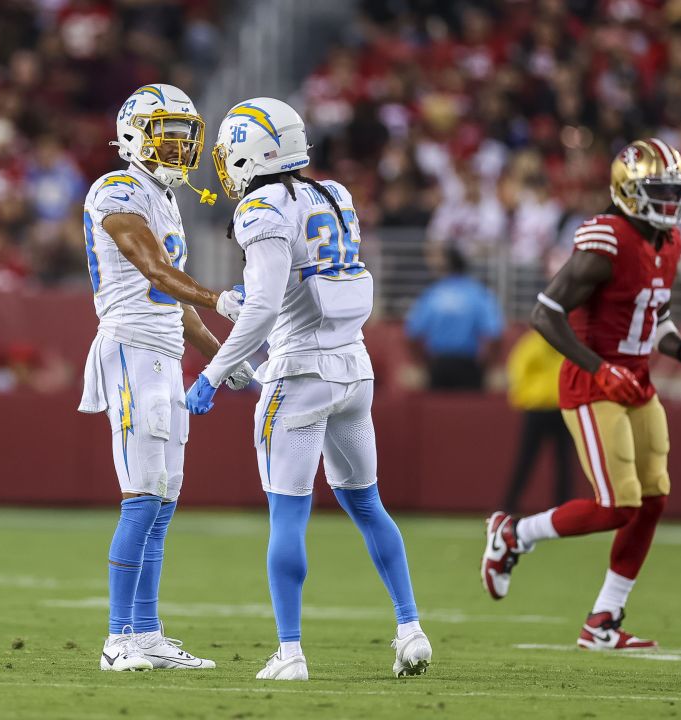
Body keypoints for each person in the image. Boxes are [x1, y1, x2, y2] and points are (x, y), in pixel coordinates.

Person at [187, 98, 431, 680]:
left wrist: (212, 373)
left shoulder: (261, 208)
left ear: (250, 152)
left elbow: (267, 306)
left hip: (300, 375)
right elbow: (311, 280)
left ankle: (291, 652)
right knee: (367, 502)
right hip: (355, 367)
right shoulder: (333, 194)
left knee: (288, 515)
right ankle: (410, 628)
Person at [479, 138, 681, 650]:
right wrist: (600, 367)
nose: (671, 202)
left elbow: (656, 318)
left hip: (636, 381)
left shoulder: (669, 242)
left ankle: (603, 619)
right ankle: (512, 535)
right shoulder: (606, 239)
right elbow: (545, 313)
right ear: (627, 191)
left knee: (653, 499)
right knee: (617, 504)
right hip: (592, 384)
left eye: (676, 191)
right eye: (659, 190)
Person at [77, 83, 253, 672]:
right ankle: (117, 639)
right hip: (130, 349)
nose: (177, 148)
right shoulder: (119, 187)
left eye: (183, 137)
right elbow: (153, 271)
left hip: (164, 353)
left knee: (162, 502)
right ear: (133, 134)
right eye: (166, 135)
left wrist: (224, 358)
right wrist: (222, 297)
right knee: (141, 497)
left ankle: (147, 634)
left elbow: (177, 308)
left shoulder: (164, 197)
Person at [404, 246, 504, 391]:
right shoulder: (478, 293)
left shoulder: (433, 293)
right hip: (468, 366)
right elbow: (494, 333)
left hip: (438, 366)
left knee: (436, 411)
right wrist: (488, 367)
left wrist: (422, 365)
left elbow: (412, 333)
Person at [500, 330, 572, 514]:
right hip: (537, 408)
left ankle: (564, 507)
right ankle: (509, 505)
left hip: (561, 408)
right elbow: (517, 370)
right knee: (526, 459)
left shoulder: (567, 342)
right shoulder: (533, 344)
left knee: (564, 461)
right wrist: (523, 397)